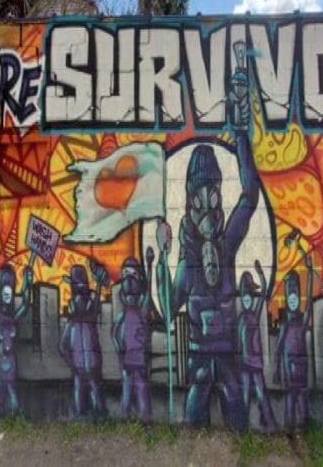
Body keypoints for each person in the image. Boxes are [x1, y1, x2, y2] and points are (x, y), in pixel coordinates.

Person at [155, 72, 258, 430]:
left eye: (213, 196)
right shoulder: (188, 260)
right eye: (199, 200)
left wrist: (241, 134)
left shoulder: (227, 246)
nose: (208, 209)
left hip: (228, 357)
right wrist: (161, 260)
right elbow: (169, 306)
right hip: (200, 360)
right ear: (189, 204)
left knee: (236, 413)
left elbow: (250, 195)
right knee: (194, 418)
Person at [273, 230, 314, 431]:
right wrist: (277, 370)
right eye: (289, 290)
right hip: (290, 371)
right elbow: (278, 349)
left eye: (295, 290)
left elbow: (310, 299)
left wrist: (310, 271)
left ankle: (304, 428)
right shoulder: (285, 325)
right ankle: (289, 429)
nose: (293, 296)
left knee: (302, 402)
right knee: (291, 401)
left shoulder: (302, 321)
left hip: (301, 371)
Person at [59, 260, 109, 420]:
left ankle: (95, 419)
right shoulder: (79, 322)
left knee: (92, 401)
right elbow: (62, 347)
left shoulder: (80, 321)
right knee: (87, 401)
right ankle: (91, 419)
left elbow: (63, 347)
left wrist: (72, 364)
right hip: (86, 367)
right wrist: (73, 365)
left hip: (87, 367)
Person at [112, 250, 154, 423]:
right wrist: (119, 351)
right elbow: (115, 334)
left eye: (133, 274)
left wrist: (149, 266)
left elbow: (148, 291)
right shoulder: (123, 313)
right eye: (126, 275)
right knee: (128, 392)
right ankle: (127, 420)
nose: (129, 279)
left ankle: (145, 420)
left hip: (139, 358)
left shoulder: (141, 309)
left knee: (141, 391)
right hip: (128, 358)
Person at [0, 263, 33, 415]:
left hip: (11, 360)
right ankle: (5, 415)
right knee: (1, 392)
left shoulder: (14, 317)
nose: (7, 291)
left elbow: (25, 304)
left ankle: (13, 415)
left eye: (10, 286)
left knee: (10, 390)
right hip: (1, 361)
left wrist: (27, 282)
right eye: (4, 285)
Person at [237, 260, 277, 432]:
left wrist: (260, 272)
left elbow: (264, 292)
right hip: (245, 365)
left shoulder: (255, 313)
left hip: (256, 364)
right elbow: (238, 343)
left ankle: (269, 422)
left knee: (261, 395)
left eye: (249, 296)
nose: (247, 299)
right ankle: (243, 427)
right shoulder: (241, 319)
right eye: (245, 296)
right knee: (245, 396)